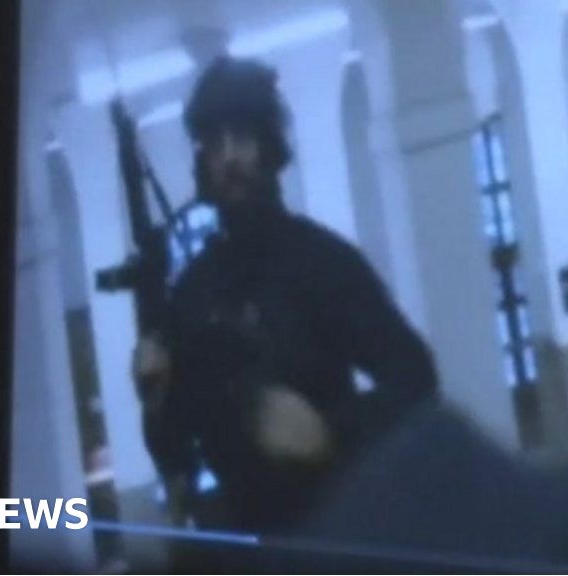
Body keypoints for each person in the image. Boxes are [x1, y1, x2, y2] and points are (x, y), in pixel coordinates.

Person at [133, 56, 439, 534]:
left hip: (339, 530)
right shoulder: (196, 289)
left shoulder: (322, 261)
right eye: (215, 144)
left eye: (241, 139)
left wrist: (329, 432)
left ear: (267, 146)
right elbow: (174, 450)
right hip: (249, 541)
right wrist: (155, 396)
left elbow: (416, 380)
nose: (229, 158)